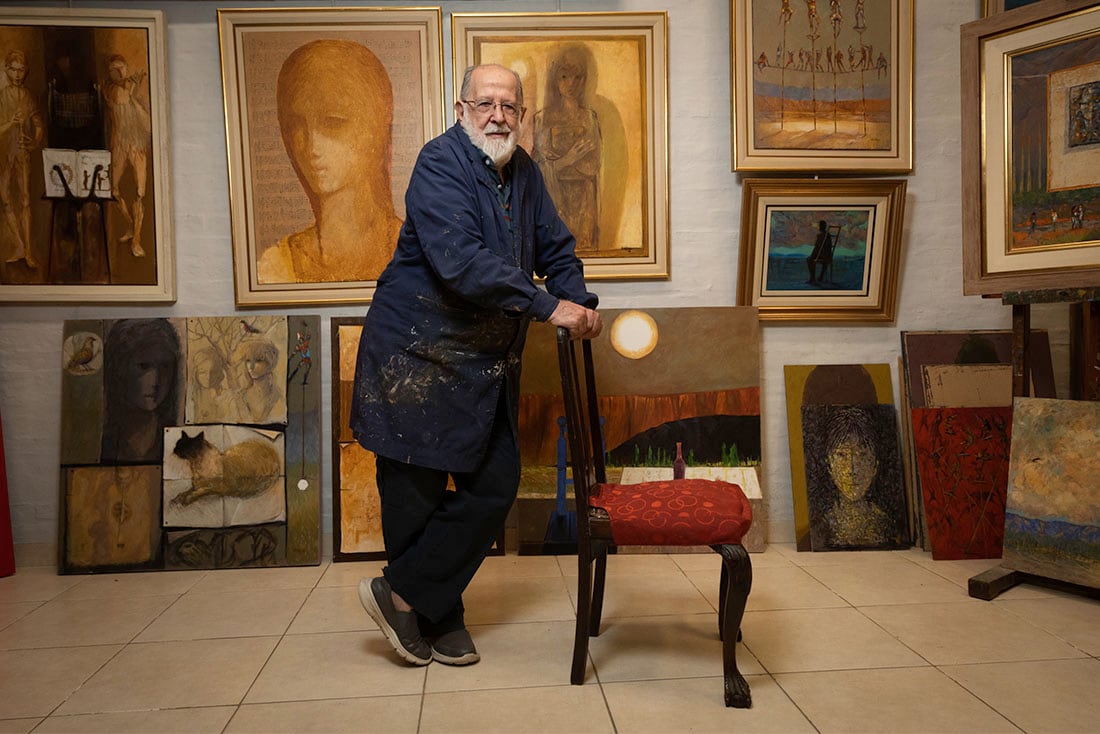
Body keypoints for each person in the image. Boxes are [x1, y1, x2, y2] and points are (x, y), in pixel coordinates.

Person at [351, 63, 602, 667]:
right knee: (414, 496)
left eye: (508, 106)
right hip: (415, 356)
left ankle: (404, 594)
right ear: (461, 109)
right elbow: (460, 261)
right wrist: (548, 306)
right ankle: (441, 615)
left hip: (482, 364)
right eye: (484, 103)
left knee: (494, 485)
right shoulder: (439, 165)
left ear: (522, 116)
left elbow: (557, 248)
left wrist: (580, 302)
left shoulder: (527, 174)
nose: (497, 115)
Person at [259, 40, 401, 284]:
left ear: (373, 129)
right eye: (297, 126)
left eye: (333, 122)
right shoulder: (277, 264)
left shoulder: (410, 248)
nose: (312, 145)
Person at [532, 44, 602, 252]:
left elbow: (593, 165)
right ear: (555, 79)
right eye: (564, 77)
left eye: (577, 77)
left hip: (584, 201)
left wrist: (558, 163)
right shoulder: (542, 119)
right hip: (554, 200)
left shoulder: (590, 119)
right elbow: (540, 169)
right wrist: (569, 159)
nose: (571, 83)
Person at [103, 54, 152, 258]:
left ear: (127, 67)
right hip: (120, 145)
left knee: (140, 192)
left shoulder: (136, 94)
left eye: (121, 68)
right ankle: (131, 225)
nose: (117, 73)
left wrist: (133, 95)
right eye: (113, 70)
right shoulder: (110, 91)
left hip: (138, 145)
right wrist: (130, 88)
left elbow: (148, 126)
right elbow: (115, 104)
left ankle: (137, 239)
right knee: (113, 189)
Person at [1, 50, 44, 268]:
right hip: (3, 155)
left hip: (22, 154)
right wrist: (10, 122)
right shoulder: (2, 96)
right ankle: (18, 245)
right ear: (7, 70)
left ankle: (28, 251)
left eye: (21, 69)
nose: (18, 74)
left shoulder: (28, 95)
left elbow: (38, 124)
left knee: (25, 200)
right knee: (6, 198)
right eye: (13, 69)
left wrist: (35, 142)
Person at [806, 219, 832, 284]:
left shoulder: (820, 235)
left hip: (823, 256)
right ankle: (821, 276)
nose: (817, 227)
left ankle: (812, 278)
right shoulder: (828, 234)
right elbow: (829, 246)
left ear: (820, 227)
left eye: (818, 226)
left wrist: (812, 256)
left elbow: (816, 248)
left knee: (809, 260)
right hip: (828, 256)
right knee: (823, 261)